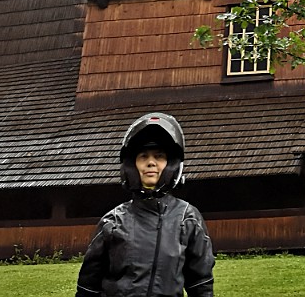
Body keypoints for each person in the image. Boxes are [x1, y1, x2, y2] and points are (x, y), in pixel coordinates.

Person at [76, 112, 215, 297]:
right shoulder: (113, 221)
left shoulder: (188, 219)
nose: (151, 162)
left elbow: (201, 284)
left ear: (171, 164)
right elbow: (88, 287)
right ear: (132, 166)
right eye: (143, 156)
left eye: (159, 156)